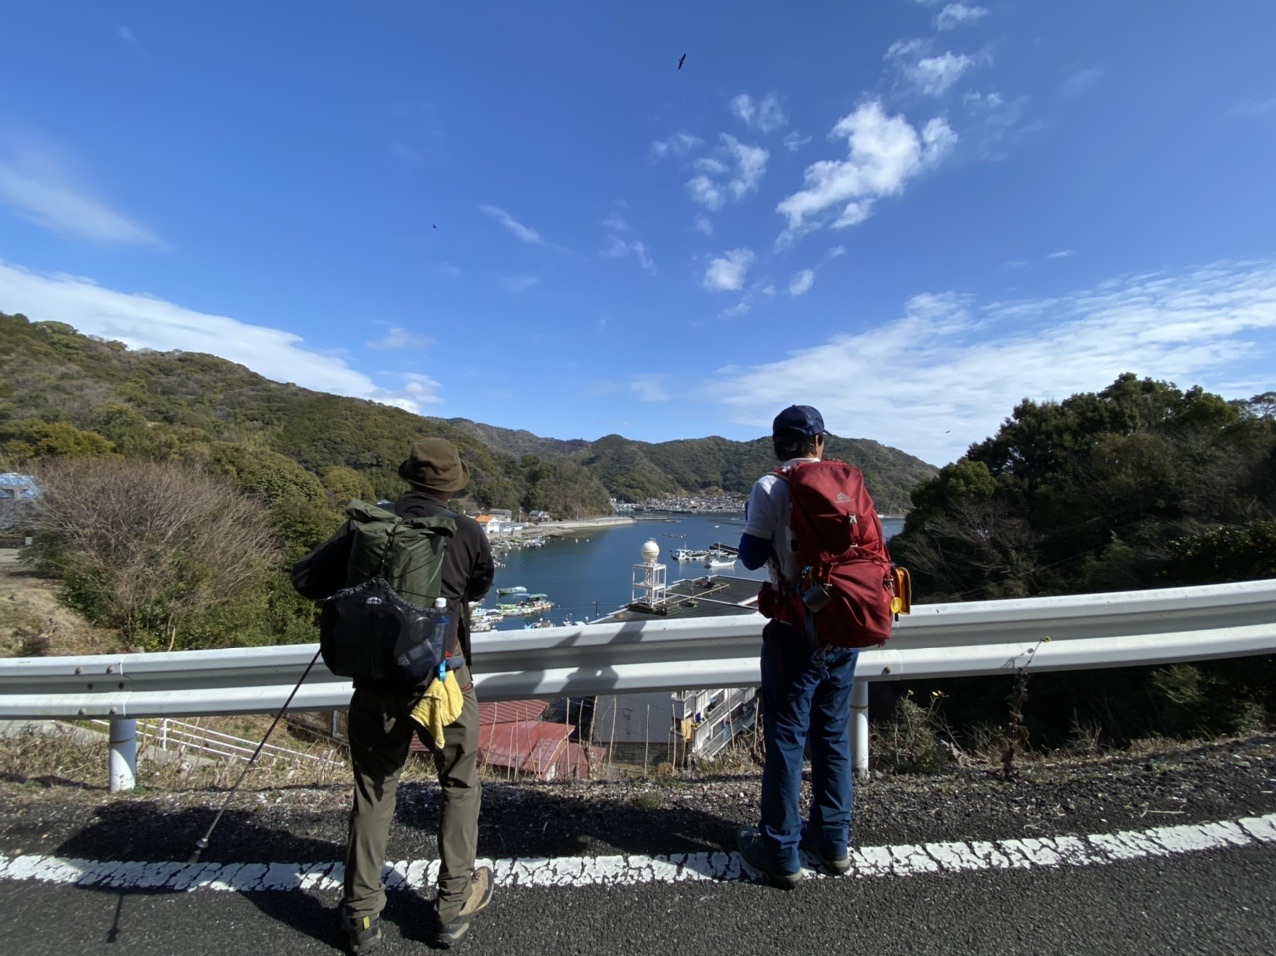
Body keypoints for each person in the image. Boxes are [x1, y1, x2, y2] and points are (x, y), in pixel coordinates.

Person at [292, 438, 497, 951]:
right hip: (444, 680)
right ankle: (451, 907)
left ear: (408, 476)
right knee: (459, 784)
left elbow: (306, 579)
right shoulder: (466, 530)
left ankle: (361, 914)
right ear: (452, 484)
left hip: (377, 683)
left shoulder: (368, 524)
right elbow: (476, 588)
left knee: (374, 788)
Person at [735, 404, 860, 887]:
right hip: (843, 626)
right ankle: (833, 843)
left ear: (775, 444)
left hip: (794, 628)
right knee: (832, 735)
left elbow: (748, 559)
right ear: (820, 442)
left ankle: (781, 851)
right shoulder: (846, 484)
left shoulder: (770, 486)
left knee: (786, 738)